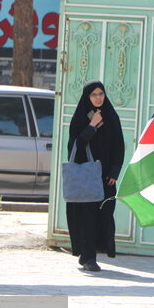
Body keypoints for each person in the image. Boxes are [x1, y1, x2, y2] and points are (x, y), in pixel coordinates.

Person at [66, 80, 125, 271]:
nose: (98, 98)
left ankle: (92, 251)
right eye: (94, 95)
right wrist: (91, 127)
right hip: (87, 175)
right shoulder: (80, 118)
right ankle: (88, 256)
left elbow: (119, 146)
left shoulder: (111, 116)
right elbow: (76, 146)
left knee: (104, 213)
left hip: (106, 177)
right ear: (87, 97)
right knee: (86, 216)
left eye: (101, 94)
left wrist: (115, 171)